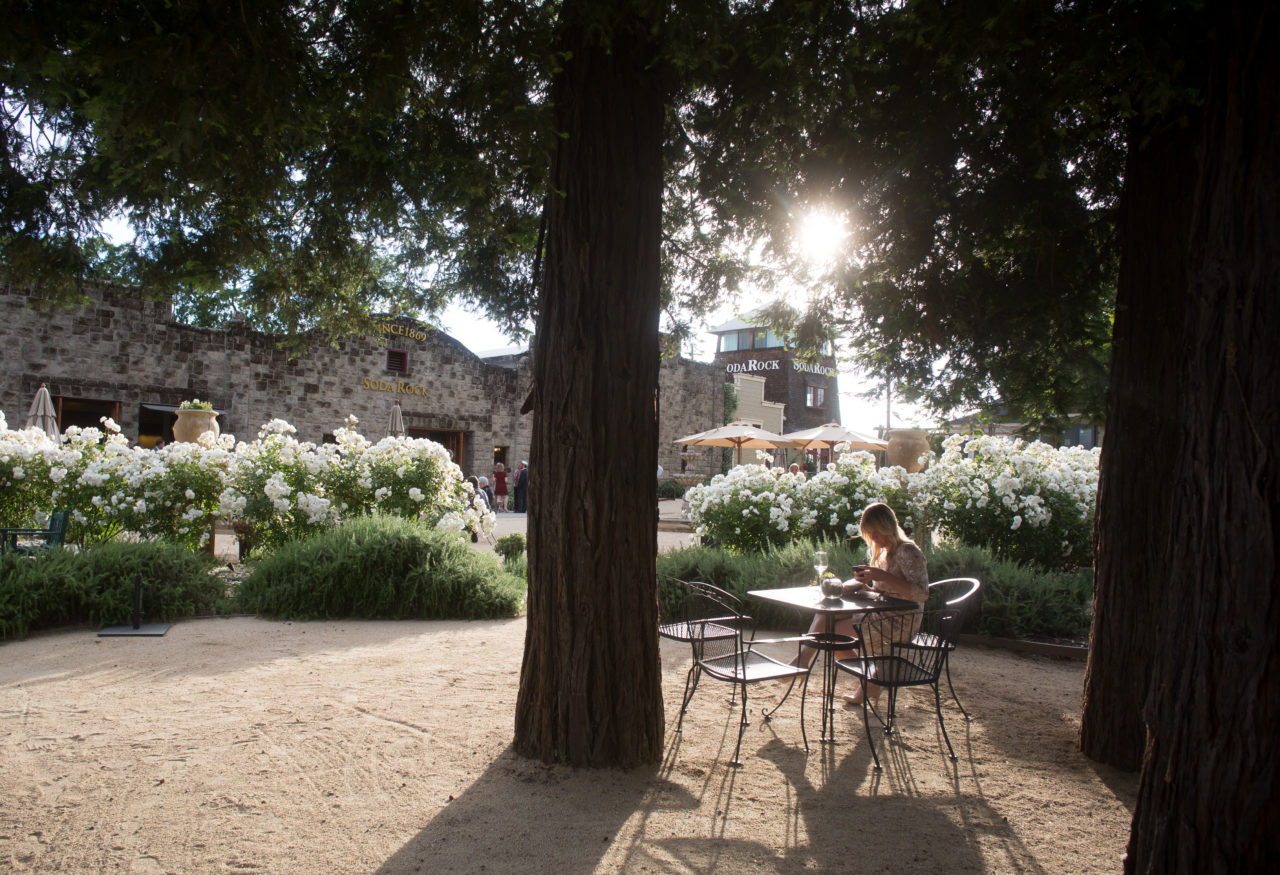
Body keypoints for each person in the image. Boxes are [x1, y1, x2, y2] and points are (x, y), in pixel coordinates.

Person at [794, 503, 929, 706]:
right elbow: (885, 592)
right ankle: (865, 681)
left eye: (876, 532)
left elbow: (922, 594)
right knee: (826, 613)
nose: (873, 538)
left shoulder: (908, 551)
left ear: (888, 527)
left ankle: (808, 662)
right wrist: (862, 586)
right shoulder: (885, 552)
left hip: (900, 621)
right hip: (882, 614)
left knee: (831, 634)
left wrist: (880, 575)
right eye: (870, 534)